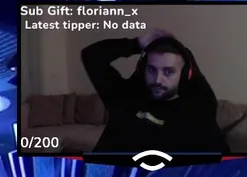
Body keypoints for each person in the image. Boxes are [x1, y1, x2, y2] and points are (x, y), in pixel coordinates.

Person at [81, 29, 227, 154]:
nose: (158, 80)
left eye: (168, 72)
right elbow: (91, 55)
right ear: (142, 70)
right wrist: (136, 44)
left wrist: (183, 52)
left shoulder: (196, 113)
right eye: (151, 70)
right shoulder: (123, 96)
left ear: (184, 75)